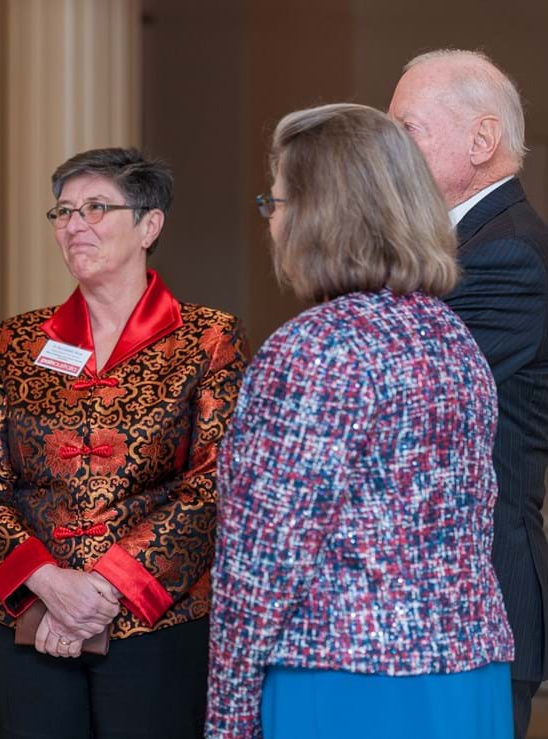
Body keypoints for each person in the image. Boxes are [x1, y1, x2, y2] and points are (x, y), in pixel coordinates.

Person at [207, 104, 515, 738]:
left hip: (347, 679)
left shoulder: (314, 349)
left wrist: (229, 713)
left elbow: (263, 559)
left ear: (322, 215)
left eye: (279, 203)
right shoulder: (451, 338)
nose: (273, 223)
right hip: (468, 673)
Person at [0, 147, 247, 738]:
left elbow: (216, 481)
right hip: (26, 620)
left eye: (95, 208)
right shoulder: (17, 341)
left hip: (155, 625)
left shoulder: (208, 338)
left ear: (149, 225)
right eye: (63, 213)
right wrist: (52, 586)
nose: (74, 226)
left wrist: (105, 587)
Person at [390, 49, 548, 738]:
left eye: (408, 131)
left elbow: (400, 404)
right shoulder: (459, 247)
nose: (389, 153)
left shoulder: (506, 254)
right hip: (431, 604)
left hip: (474, 595)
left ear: (482, 141)